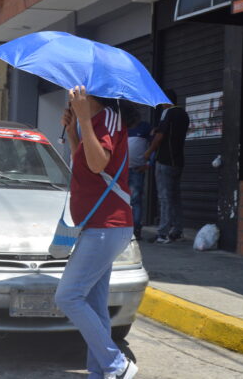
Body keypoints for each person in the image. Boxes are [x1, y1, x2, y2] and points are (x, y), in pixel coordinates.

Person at [54, 86, 138, 379]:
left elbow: (98, 162)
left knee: (68, 296)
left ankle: (117, 363)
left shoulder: (109, 118)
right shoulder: (92, 121)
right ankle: (100, 372)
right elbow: (84, 164)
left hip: (107, 226)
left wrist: (84, 122)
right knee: (93, 303)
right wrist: (74, 131)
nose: (70, 94)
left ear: (91, 95)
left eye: (75, 91)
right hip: (94, 226)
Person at [143, 89, 190, 244]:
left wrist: (148, 152)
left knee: (164, 198)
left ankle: (162, 234)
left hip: (164, 161)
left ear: (166, 100)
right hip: (178, 162)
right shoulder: (184, 114)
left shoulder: (168, 113)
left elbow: (160, 136)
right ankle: (177, 230)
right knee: (175, 197)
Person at [123, 105, 151, 241]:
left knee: (135, 199)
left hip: (136, 170)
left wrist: (148, 164)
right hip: (122, 170)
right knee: (124, 199)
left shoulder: (145, 128)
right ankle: (125, 227)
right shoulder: (123, 127)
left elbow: (154, 146)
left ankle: (136, 228)